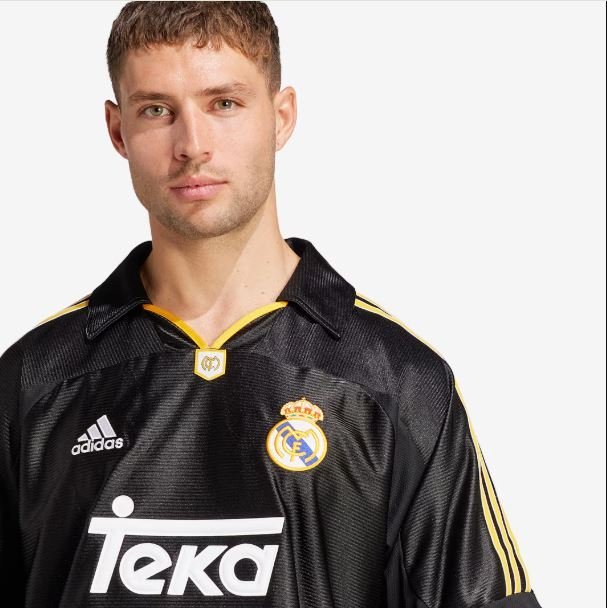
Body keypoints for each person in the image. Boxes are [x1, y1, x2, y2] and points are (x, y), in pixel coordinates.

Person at [0, 2, 544, 606]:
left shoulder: (398, 381)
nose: (192, 145)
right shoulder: (32, 380)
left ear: (281, 117)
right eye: (157, 110)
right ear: (117, 130)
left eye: (223, 104)